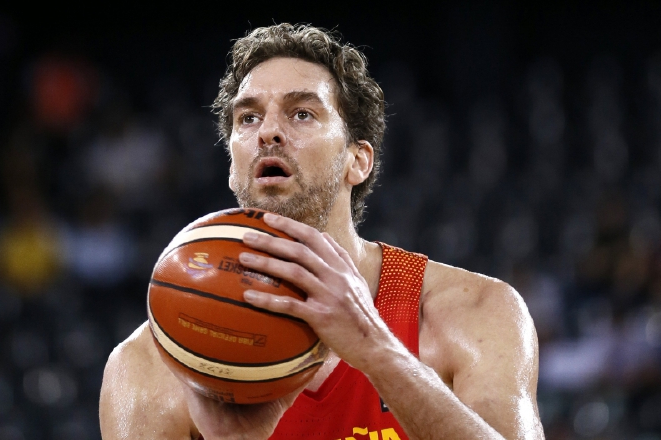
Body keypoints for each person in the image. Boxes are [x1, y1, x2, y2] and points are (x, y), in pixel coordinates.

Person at [99, 23, 545, 439]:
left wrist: (379, 355)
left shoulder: (475, 312)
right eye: (248, 118)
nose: (268, 131)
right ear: (233, 167)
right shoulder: (151, 364)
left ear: (358, 159)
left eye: (302, 113)